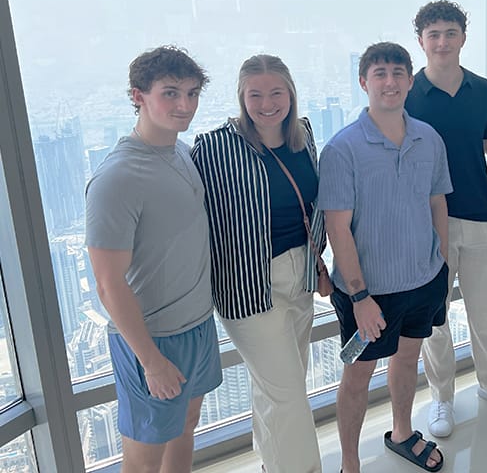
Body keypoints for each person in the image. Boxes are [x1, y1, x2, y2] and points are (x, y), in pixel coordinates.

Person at [85, 46, 222, 473]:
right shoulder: (117, 178)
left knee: (186, 427)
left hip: (197, 325)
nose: (185, 105)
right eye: (170, 93)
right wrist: (150, 360)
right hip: (152, 338)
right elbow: (108, 283)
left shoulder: (181, 153)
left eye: (192, 93)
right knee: (144, 457)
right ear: (138, 96)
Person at [319, 42, 452, 473]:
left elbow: (437, 202)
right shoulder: (342, 148)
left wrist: (441, 262)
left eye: (398, 73)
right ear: (364, 82)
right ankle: (350, 463)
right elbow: (337, 228)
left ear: (411, 81)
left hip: (423, 281)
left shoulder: (428, 138)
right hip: (369, 294)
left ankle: (401, 433)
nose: (390, 82)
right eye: (380, 73)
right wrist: (360, 298)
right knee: (358, 376)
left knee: (408, 359)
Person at [191, 55, 327, 473]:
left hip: (301, 275)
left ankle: (273, 462)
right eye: (256, 95)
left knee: (281, 386)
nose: (267, 104)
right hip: (248, 283)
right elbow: (193, 218)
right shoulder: (214, 148)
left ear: (290, 93)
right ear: (241, 97)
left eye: (276, 93)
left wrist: (320, 261)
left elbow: (315, 206)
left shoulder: (303, 134)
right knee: (287, 394)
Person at [405, 0, 487, 438]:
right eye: (433, 34)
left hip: (480, 214)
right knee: (434, 319)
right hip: (426, 224)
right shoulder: (407, 93)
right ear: (421, 41)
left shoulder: (483, 91)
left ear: (463, 37)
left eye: (450, 33)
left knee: (484, 314)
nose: (442, 42)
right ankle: (441, 397)